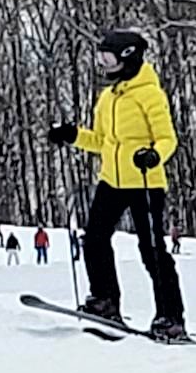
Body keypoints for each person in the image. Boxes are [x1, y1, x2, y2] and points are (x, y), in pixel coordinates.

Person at [48, 28, 188, 339]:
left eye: (108, 59)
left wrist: (154, 155)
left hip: (145, 181)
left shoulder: (150, 94)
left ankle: (170, 317)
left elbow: (167, 138)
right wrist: (72, 135)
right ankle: (104, 300)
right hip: (112, 179)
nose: (104, 66)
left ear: (129, 57)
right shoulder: (108, 98)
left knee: (152, 250)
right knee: (95, 239)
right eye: (100, 59)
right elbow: (100, 141)